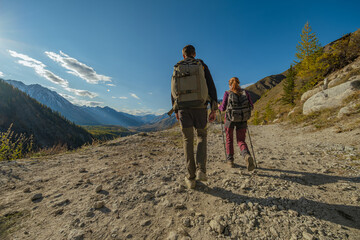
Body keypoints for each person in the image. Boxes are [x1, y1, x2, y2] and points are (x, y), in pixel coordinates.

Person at [170, 45, 218, 189]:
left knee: (187, 141)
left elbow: (173, 90)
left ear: (183, 55)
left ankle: (190, 178)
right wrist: (213, 109)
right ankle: (201, 171)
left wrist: (176, 110)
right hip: (200, 108)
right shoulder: (201, 65)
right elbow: (211, 85)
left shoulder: (177, 67)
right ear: (194, 54)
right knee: (202, 136)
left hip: (184, 109)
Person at [218, 77, 255, 171]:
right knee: (241, 140)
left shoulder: (227, 93)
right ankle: (246, 155)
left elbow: (223, 108)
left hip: (230, 120)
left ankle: (230, 161)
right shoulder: (245, 93)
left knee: (229, 139)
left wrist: (219, 106)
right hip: (242, 119)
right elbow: (251, 106)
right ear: (239, 83)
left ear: (230, 85)